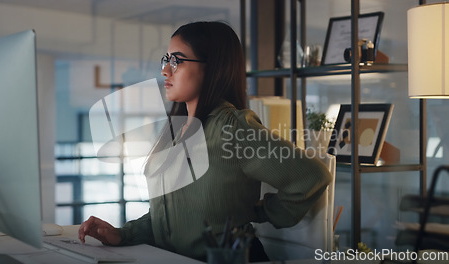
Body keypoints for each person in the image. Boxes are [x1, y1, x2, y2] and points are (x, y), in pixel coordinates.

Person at [78, 21, 332, 262]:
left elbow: (311, 177)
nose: (166, 70)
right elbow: (170, 217)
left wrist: (259, 212)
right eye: (166, 60)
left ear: (212, 67)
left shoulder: (232, 128)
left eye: (176, 60)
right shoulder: (175, 131)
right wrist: (123, 234)